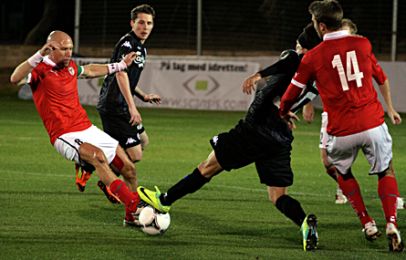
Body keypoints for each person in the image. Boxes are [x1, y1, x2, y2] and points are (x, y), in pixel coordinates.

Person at [137, 24, 321, 251]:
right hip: (280, 139)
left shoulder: (295, 58)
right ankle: (304, 223)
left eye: (298, 45)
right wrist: (297, 106)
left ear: (304, 47)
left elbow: (290, 61)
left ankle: (163, 200)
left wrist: (258, 74)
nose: (295, 48)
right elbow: (303, 99)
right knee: (277, 196)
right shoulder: (317, 74)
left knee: (208, 167)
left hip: (255, 130)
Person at [280, 0, 403, 252]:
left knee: (342, 173)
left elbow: (291, 94)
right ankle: (391, 222)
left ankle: (367, 222)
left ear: (322, 26)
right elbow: (376, 75)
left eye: (315, 23)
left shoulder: (313, 57)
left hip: (341, 130)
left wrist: (283, 112)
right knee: (385, 171)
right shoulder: (363, 43)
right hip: (372, 124)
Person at [9, 30, 143, 227]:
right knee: (97, 157)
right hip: (64, 134)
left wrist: (120, 65)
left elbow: (89, 70)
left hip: (86, 127)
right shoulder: (39, 70)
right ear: (51, 48)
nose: (69, 53)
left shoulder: (70, 66)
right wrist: (39, 54)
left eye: (70, 48)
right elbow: (14, 78)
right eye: (64, 49)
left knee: (129, 168)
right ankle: (132, 202)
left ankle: (131, 218)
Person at [95, 4, 161, 202]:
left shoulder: (141, 46)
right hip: (115, 106)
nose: (145, 27)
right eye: (141, 22)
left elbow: (130, 79)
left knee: (143, 141)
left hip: (122, 105)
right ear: (132, 23)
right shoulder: (127, 44)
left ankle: (106, 178)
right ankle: (109, 180)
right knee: (136, 154)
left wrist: (143, 96)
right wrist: (133, 107)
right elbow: (121, 73)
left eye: (149, 23)